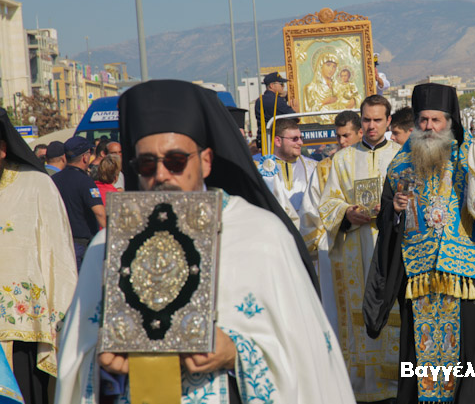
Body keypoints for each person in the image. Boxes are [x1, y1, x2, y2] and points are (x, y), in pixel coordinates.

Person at [55, 79, 353, 404]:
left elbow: (308, 360)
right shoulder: (105, 247)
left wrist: (235, 352)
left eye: (176, 161)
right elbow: (76, 366)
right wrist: (107, 363)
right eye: (146, 164)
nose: (161, 175)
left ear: (206, 160)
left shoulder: (261, 236)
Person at [364, 83, 475, 404]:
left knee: (468, 367)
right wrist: (394, 211)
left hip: (464, 281)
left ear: (449, 121)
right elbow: (386, 220)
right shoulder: (400, 165)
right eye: (423, 120)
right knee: (418, 365)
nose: (429, 127)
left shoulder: (471, 157)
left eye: (436, 120)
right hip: (418, 282)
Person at [317, 95, 401, 402]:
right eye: (366, 119)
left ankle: (397, 384)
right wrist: (347, 213)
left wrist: (394, 209)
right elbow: (328, 203)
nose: (371, 125)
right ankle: (363, 387)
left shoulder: (402, 156)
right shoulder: (342, 159)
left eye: (378, 120)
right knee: (359, 313)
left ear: (388, 121)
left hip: (393, 247)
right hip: (356, 246)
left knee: (394, 311)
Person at [0, 107, 78, 404]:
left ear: (3, 149)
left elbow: (59, 255)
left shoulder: (36, 186)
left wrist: (64, 320)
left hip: (23, 333)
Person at [300, 110, 362, 335]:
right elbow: (310, 210)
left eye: (346, 135)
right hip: (334, 248)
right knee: (337, 312)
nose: (342, 141)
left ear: (360, 133)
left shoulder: (370, 163)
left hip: (366, 244)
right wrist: (317, 244)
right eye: (338, 136)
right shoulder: (324, 168)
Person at [52, 137, 106, 269]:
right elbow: (99, 213)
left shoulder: (53, 180)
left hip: (59, 241)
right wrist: (112, 235)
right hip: (81, 244)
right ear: (85, 157)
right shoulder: (85, 181)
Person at [258, 118, 317, 228]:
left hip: (308, 233)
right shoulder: (262, 169)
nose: (300, 143)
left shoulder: (314, 167)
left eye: (301, 138)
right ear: (278, 141)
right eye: (295, 139)